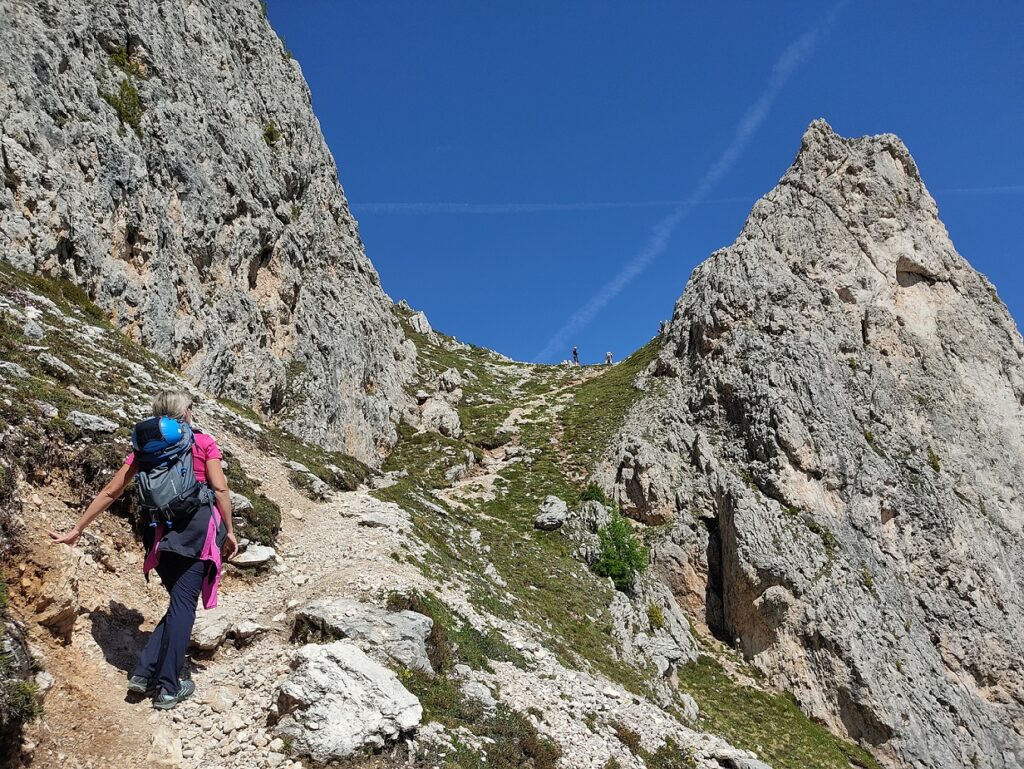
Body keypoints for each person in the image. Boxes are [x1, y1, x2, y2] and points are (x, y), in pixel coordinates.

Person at [49, 390, 238, 709]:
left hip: (159, 534)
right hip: (197, 532)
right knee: (184, 607)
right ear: (186, 411)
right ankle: (168, 686)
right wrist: (230, 531)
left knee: (179, 602)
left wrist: (77, 528)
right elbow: (219, 488)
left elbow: (112, 491)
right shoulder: (203, 442)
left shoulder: (146, 447)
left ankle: (143, 672)